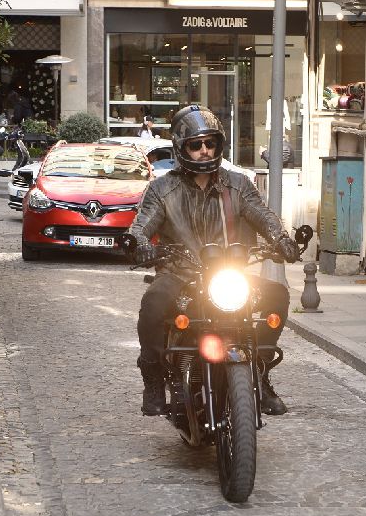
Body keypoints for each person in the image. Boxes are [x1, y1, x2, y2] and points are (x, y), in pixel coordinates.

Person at [128, 104, 301, 417]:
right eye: (196, 145)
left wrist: (282, 240)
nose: (204, 151)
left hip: (230, 273)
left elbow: (262, 215)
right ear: (182, 148)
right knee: (153, 304)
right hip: (181, 274)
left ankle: (259, 373)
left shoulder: (239, 184)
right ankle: (153, 379)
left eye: (210, 143)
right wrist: (139, 244)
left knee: (277, 294)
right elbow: (142, 224)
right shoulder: (162, 189)